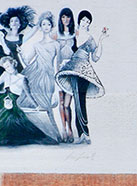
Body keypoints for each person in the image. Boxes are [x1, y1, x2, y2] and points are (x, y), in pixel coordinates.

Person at [55, 9, 108, 144]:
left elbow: (95, 57)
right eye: (83, 20)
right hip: (73, 71)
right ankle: (82, 133)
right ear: (79, 20)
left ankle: (85, 133)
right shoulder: (73, 35)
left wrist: (100, 40)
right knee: (77, 101)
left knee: (81, 101)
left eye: (88, 21)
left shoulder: (89, 38)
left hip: (84, 71)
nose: (85, 23)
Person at [18, 11, 60, 140]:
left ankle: (56, 135)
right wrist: (19, 53)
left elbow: (56, 64)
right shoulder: (36, 45)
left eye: (48, 24)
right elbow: (27, 61)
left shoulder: (56, 44)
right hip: (36, 74)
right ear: (40, 27)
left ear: (51, 26)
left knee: (47, 107)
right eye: (43, 24)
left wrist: (57, 80)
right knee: (36, 107)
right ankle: (42, 135)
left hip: (48, 76)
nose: (46, 26)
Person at [55, 7, 75, 142]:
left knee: (68, 104)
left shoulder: (75, 34)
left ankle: (70, 128)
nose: (65, 20)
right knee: (61, 103)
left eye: (67, 17)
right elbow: (56, 56)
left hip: (71, 71)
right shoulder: (55, 34)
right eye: (63, 17)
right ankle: (63, 129)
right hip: (59, 70)